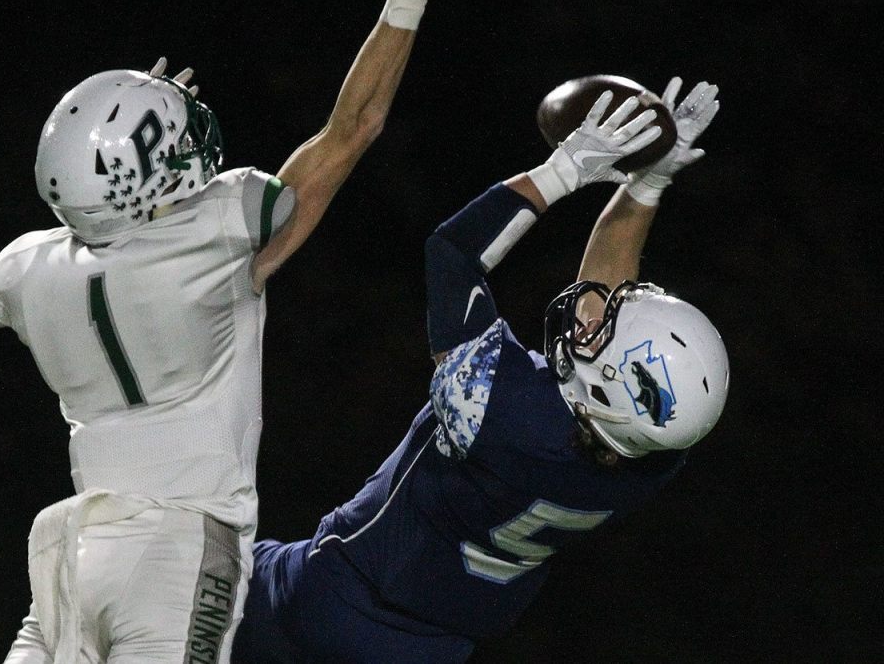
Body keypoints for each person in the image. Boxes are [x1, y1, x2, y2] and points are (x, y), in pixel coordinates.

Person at [0, 0, 435, 662]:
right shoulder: (221, 230)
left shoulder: (20, 273)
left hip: (70, 553)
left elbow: (107, 234)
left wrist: (128, 148)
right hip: (177, 551)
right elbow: (353, 128)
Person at [232, 79, 728, 662]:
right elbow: (604, 297)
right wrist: (646, 187)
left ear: (609, 387)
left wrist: (562, 172)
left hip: (331, 600)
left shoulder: (503, 409)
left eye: (606, 329)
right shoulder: (654, 454)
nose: (595, 315)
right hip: (434, 649)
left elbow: (453, 253)